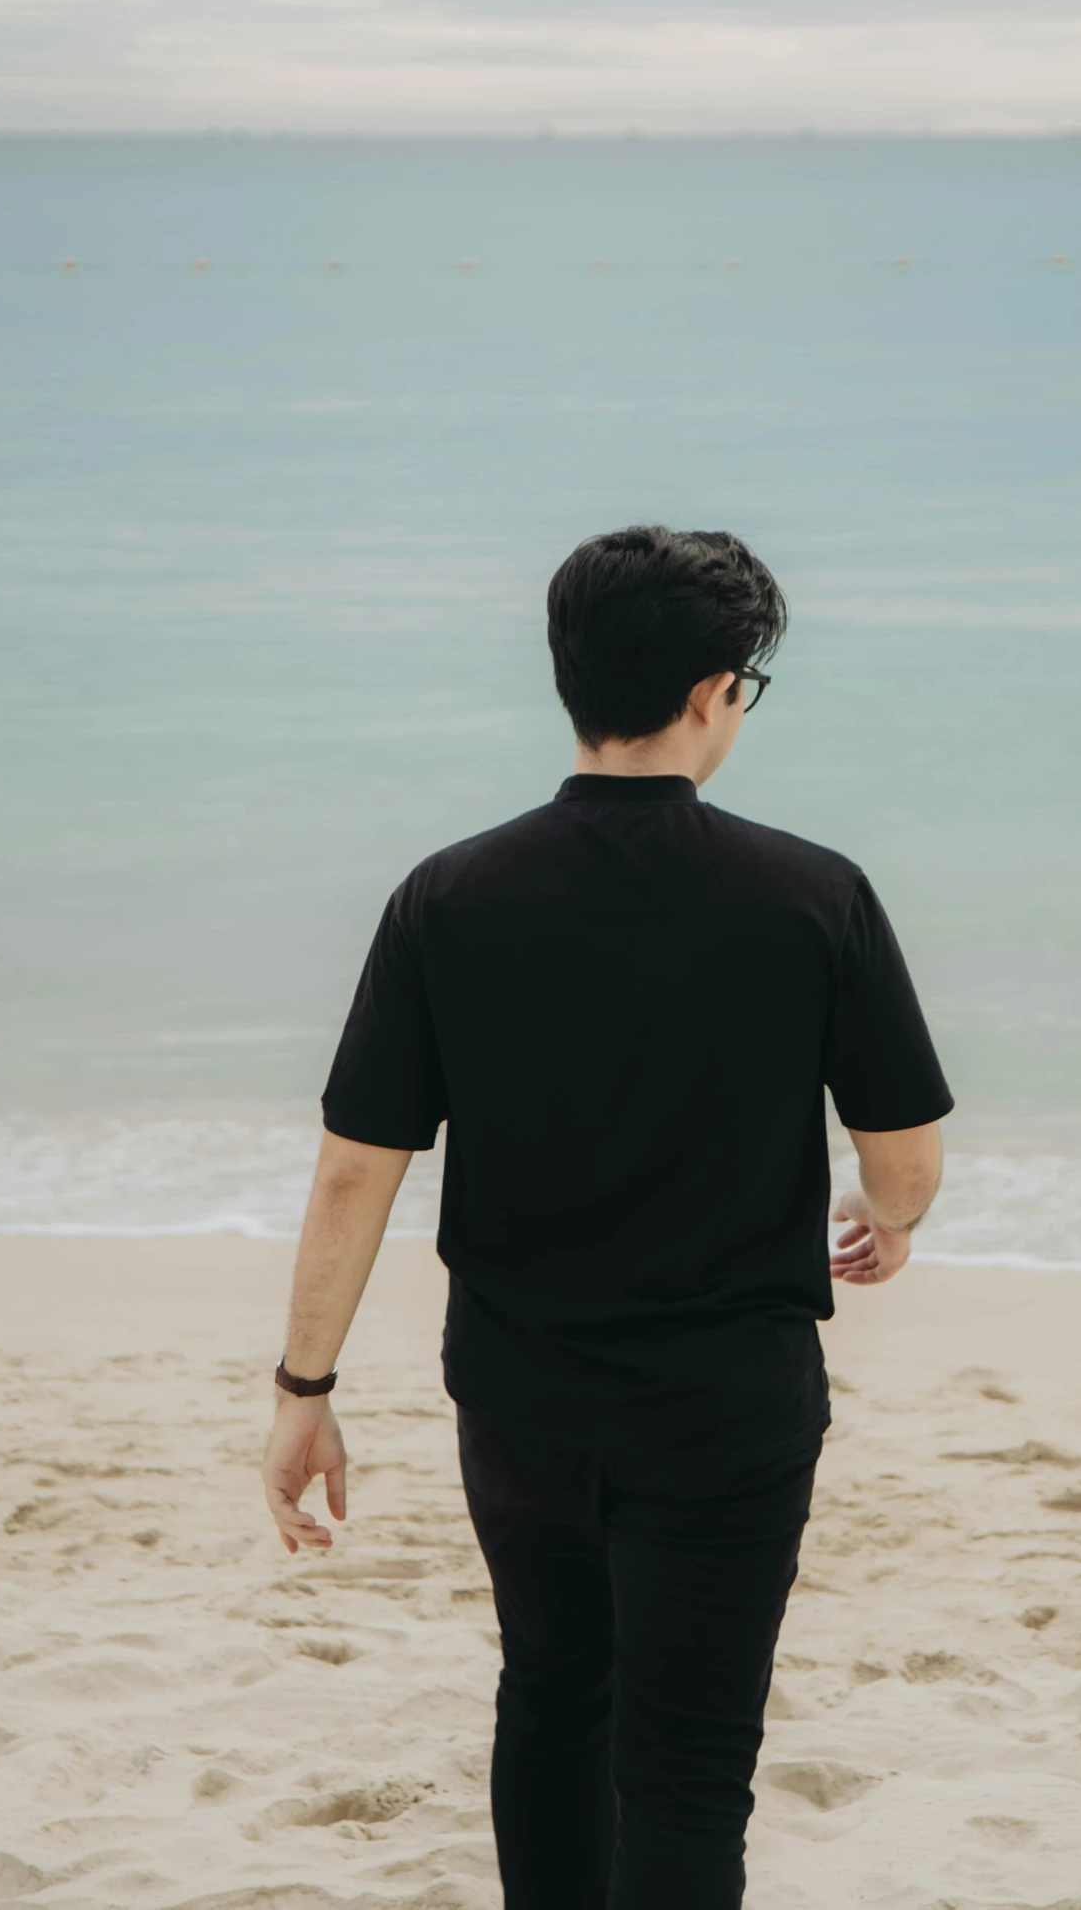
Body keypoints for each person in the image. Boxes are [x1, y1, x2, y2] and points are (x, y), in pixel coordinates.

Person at [261, 524, 952, 1910]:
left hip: (522, 1393)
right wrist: (890, 1222)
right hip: (727, 1402)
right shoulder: (812, 894)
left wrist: (305, 1388)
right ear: (716, 691)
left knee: (553, 1694)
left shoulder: (447, 895)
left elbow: (355, 1165)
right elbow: (904, 1150)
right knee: (690, 1760)